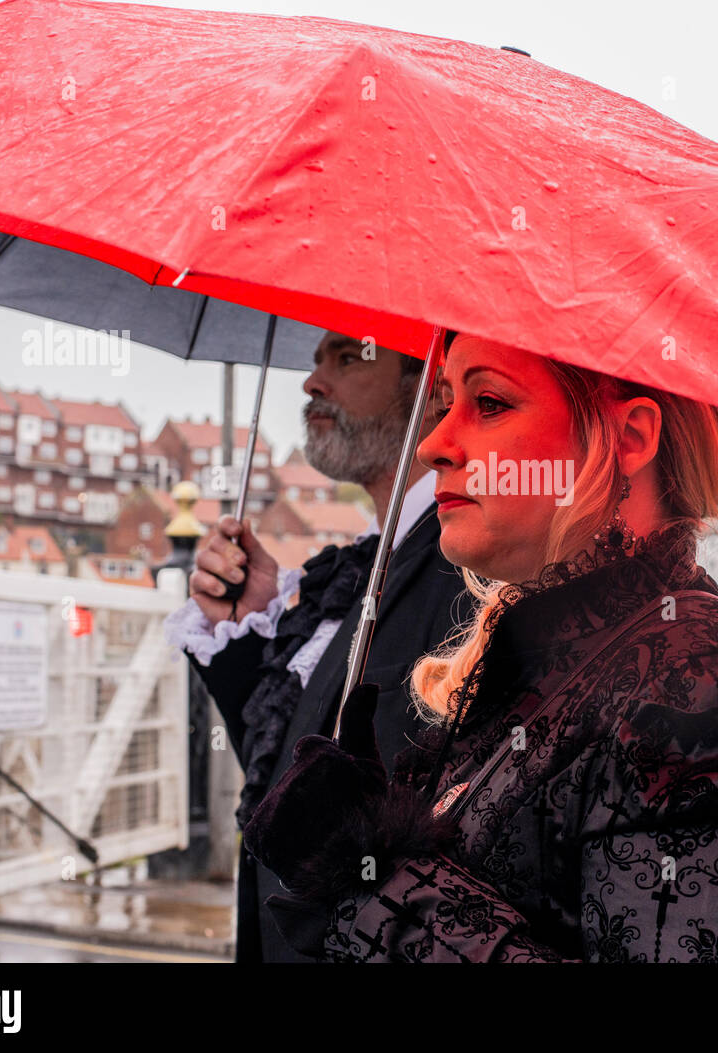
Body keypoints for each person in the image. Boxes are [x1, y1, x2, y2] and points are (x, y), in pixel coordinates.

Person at [240, 330, 718, 962]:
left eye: (491, 404)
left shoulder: (714, 692)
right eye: (446, 402)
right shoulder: (542, 664)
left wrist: (367, 881)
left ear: (629, 439)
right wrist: (376, 828)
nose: (435, 444)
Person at [163, 331, 468, 963]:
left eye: (349, 357)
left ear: (431, 388)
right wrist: (248, 628)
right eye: (315, 360)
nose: (312, 382)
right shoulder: (358, 567)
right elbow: (296, 775)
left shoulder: (461, 566)